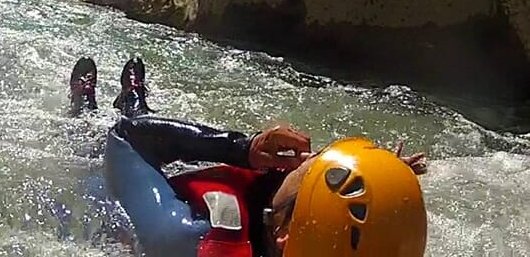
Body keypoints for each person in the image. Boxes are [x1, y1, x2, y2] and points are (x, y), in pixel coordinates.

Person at [68, 56, 429, 257]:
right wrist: (385, 180)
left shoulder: (187, 239)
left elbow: (128, 140)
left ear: (284, 232)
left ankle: (88, 100)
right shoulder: (307, 238)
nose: (308, 158)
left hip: (120, 182)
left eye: (312, 170)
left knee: (98, 135)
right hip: (184, 174)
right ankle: (133, 96)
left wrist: (241, 147)